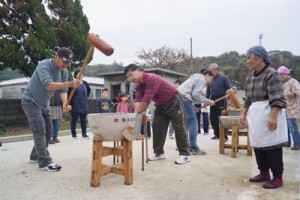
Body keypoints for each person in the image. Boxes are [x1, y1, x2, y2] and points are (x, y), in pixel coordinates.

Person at [21, 47, 80, 172]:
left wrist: (65, 103)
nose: (66, 65)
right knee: (39, 132)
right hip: (30, 100)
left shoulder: (64, 72)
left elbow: (63, 91)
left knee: (49, 132)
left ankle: (35, 156)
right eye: (64, 61)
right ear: (56, 56)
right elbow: (48, 84)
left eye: (68, 62)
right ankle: (44, 162)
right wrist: (70, 83)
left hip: (44, 104)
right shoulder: (44, 65)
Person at [240, 45, 288, 189]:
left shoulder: (271, 74)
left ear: (260, 58)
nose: (247, 61)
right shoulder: (249, 77)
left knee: (272, 145)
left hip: (269, 111)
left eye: (249, 58)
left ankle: (278, 176)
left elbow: (278, 98)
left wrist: (273, 117)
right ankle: (264, 172)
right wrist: (243, 113)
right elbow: (247, 98)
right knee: (258, 144)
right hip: (256, 114)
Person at [124, 64, 190, 164]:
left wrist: (137, 117)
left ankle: (184, 154)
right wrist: (135, 119)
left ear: (138, 70)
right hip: (160, 104)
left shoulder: (152, 78)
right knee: (157, 126)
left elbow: (145, 101)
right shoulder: (139, 87)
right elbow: (138, 102)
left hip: (173, 100)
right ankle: (159, 153)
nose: (130, 78)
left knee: (179, 127)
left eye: (131, 74)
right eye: (128, 77)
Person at [178, 70, 215, 155]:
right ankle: (193, 147)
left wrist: (193, 106)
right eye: (211, 79)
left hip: (180, 99)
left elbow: (192, 94)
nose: (210, 81)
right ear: (207, 76)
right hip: (185, 99)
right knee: (193, 122)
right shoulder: (201, 79)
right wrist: (208, 101)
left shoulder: (194, 78)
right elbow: (196, 94)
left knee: (186, 123)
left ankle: (184, 146)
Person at [206, 63, 231, 141]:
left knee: (222, 118)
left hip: (222, 99)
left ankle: (225, 136)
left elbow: (229, 90)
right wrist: (206, 100)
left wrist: (229, 100)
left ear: (216, 70)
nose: (209, 72)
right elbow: (208, 90)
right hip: (213, 100)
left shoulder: (224, 78)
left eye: (210, 70)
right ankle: (217, 134)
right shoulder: (210, 79)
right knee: (213, 117)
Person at [277, 66, 300, 150]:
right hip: (283, 108)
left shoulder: (293, 82)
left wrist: (284, 95)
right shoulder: (281, 83)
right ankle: (287, 142)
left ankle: (297, 143)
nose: (280, 76)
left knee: (292, 127)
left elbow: (296, 93)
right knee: (285, 126)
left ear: (286, 73)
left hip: (292, 108)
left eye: (280, 74)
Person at [69, 69, 91, 139]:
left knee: (83, 120)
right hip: (75, 104)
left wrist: (85, 97)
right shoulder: (73, 83)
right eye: (79, 74)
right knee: (74, 120)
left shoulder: (85, 83)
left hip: (83, 104)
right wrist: (70, 104)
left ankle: (84, 134)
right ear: (75, 75)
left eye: (82, 74)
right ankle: (74, 134)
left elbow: (88, 91)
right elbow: (69, 94)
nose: (80, 75)